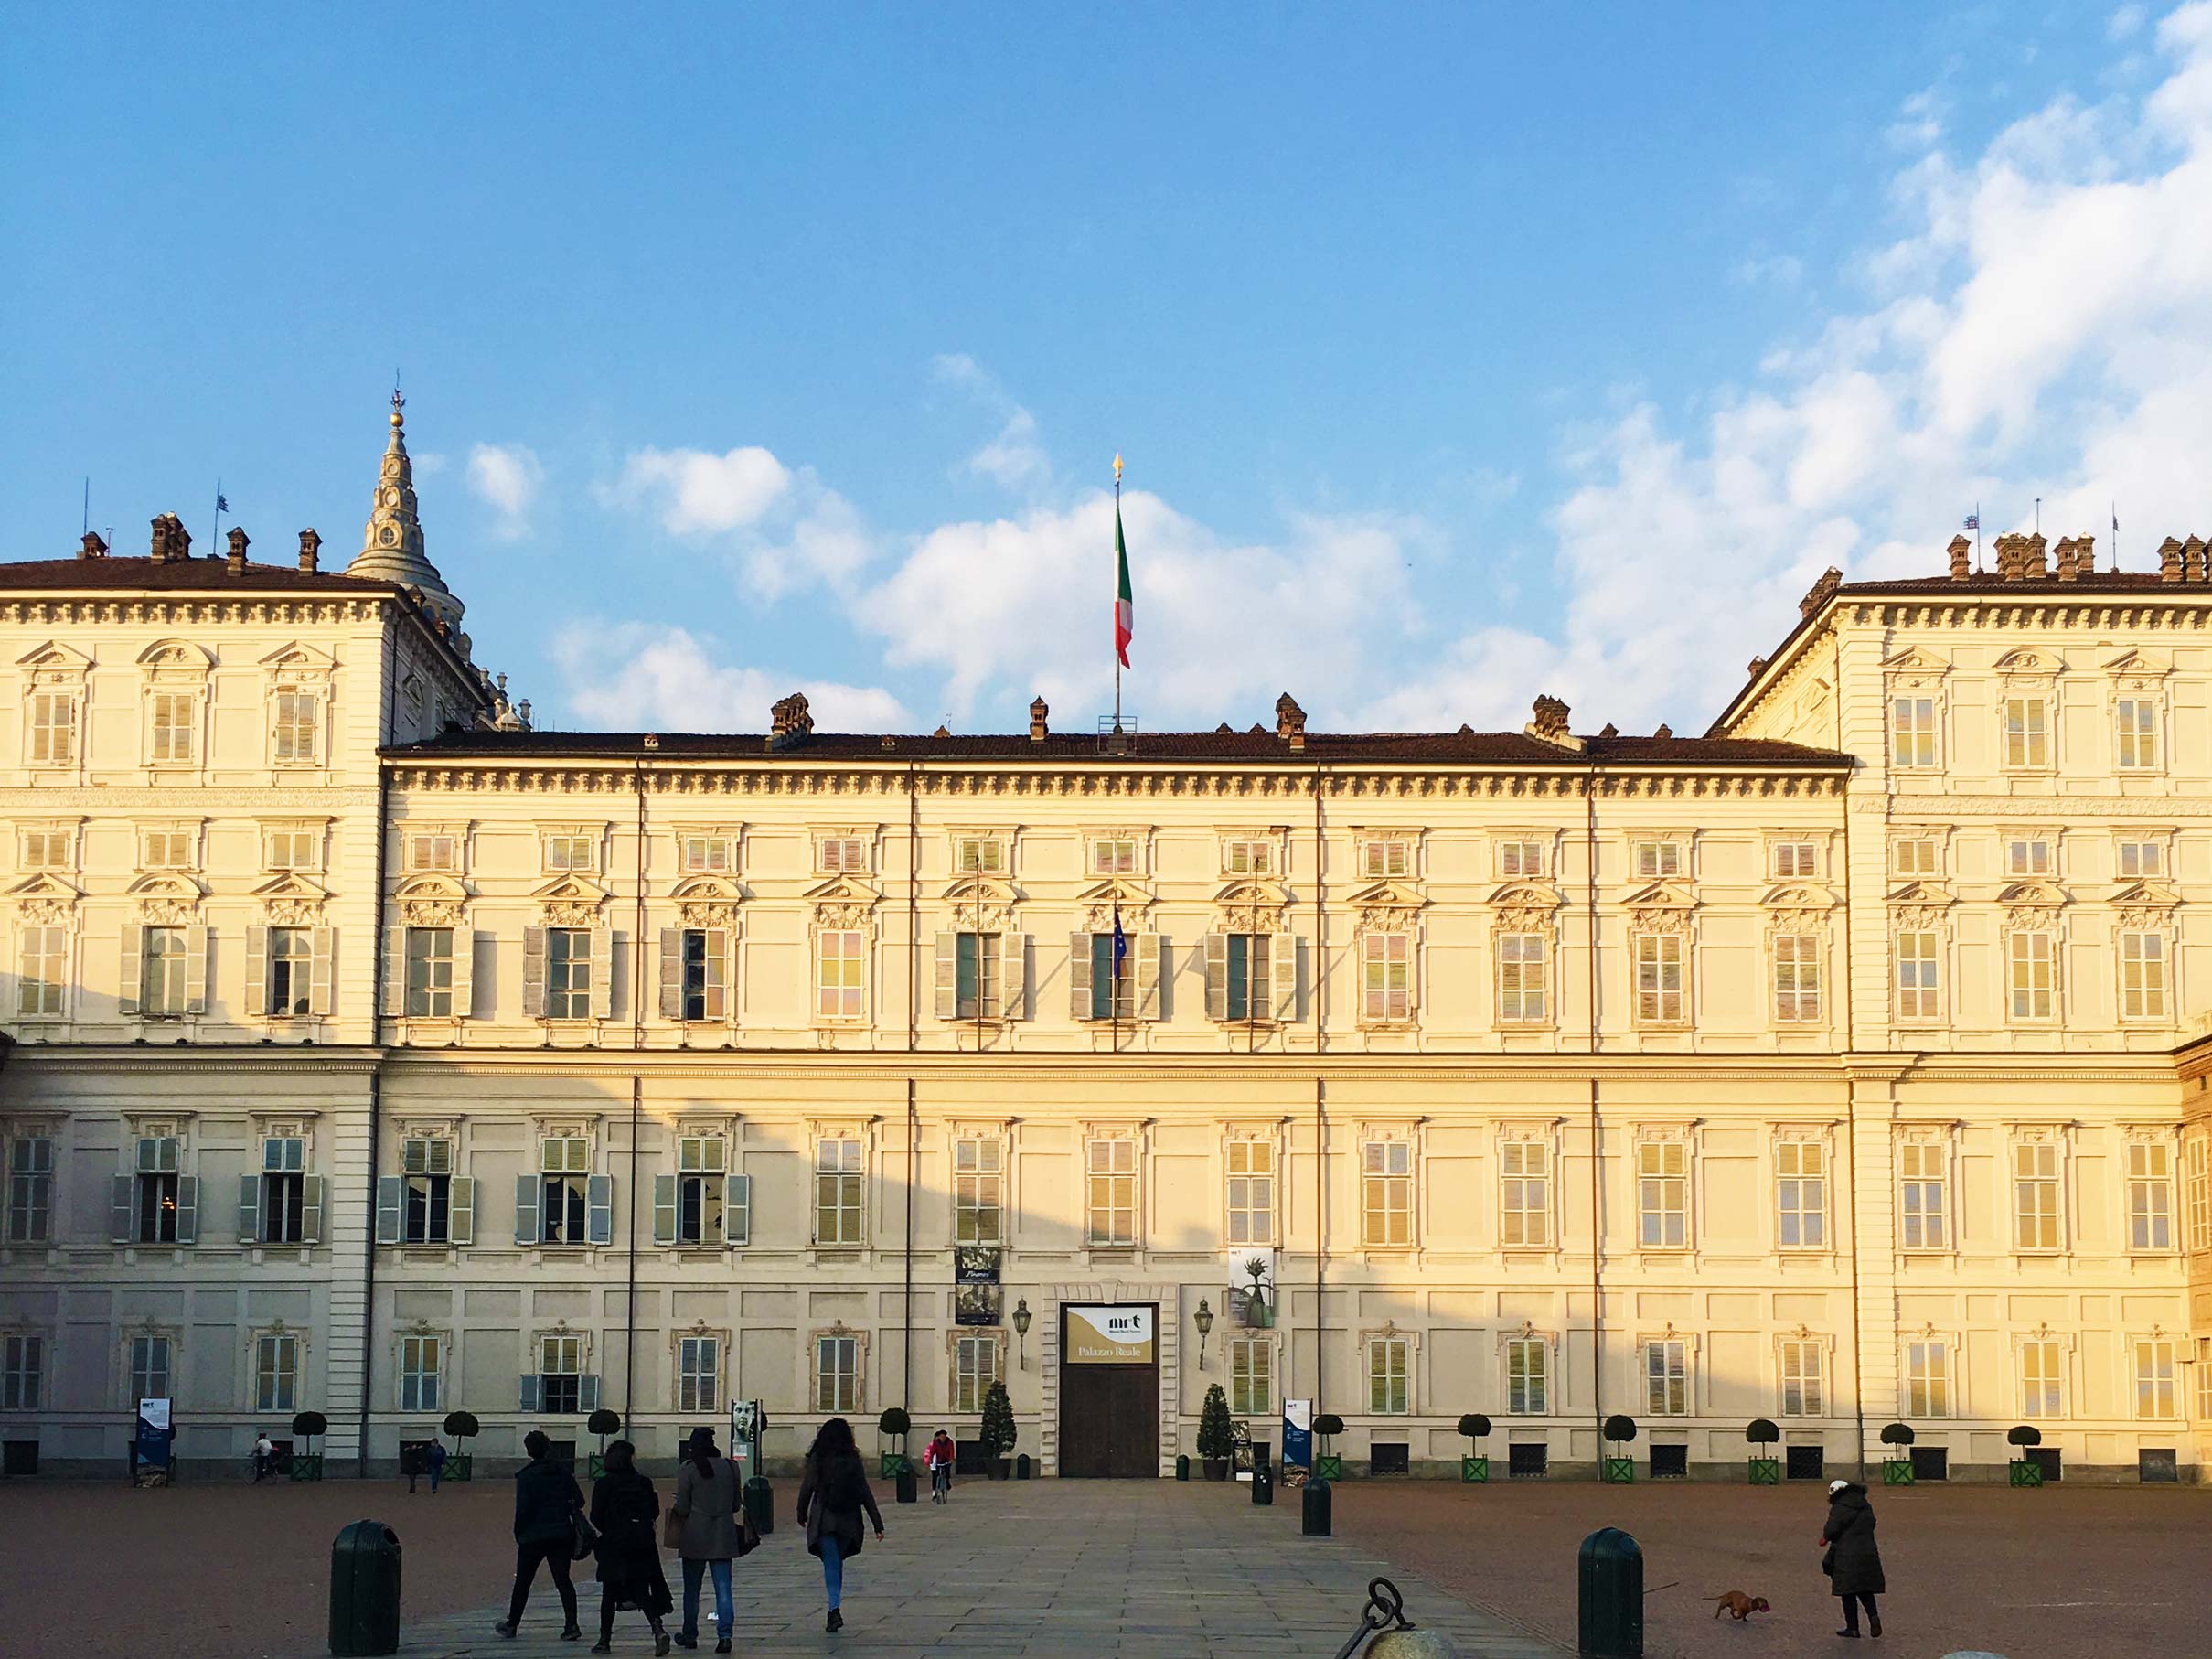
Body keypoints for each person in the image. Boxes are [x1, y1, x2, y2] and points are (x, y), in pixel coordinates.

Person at [796, 1417, 884, 1633]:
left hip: (825, 1519)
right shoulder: (853, 1461)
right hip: (848, 1520)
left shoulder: (818, 1459)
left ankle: (834, 1608)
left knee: (831, 1564)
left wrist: (801, 1513)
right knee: (837, 1563)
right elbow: (865, 1492)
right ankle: (834, 1607)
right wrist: (877, 1524)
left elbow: (807, 1488)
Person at [497, 1429, 584, 1641]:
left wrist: (519, 1532)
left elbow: (523, 1509)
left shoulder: (526, 1476)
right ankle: (571, 1624)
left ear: (529, 1451)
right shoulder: (562, 1472)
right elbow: (579, 1500)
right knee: (563, 1581)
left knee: (523, 1582)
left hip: (533, 1536)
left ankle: (512, 1624)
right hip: (560, 1533)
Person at [588, 1440, 673, 1654]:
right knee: (641, 1589)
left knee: (609, 1592)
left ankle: (604, 1639)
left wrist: (610, 1528)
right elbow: (653, 1511)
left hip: (614, 1542)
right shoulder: (643, 1482)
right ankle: (658, 1628)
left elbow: (595, 1516)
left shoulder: (604, 1484)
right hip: (640, 1542)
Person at [670, 1427, 741, 1654]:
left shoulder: (687, 1469)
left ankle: (690, 1634)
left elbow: (682, 1507)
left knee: (692, 1590)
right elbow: (735, 1505)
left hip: (694, 1536)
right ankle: (725, 1635)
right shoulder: (730, 1467)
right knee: (724, 1588)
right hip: (723, 1535)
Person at [1820, 1477, 1886, 1639]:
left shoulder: (1839, 1507)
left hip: (1846, 1552)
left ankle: (1853, 1627)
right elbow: (1872, 1523)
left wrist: (1826, 1537)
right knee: (1865, 1589)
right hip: (1868, 1550)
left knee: (1847, 1591)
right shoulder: (1865, 1504)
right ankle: (1873, 1617)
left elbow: (1832, 1528)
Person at [923, 1430, 956, 1504]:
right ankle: (937, 1488)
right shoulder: (936, 1442)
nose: (942, 1438)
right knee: (936, 1475)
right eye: (941, 1437)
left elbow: (951, 1450)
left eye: (944, 1436)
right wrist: (930, 1459)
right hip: (939, 1459)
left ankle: (947, 1482)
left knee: (947, 1471)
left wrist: (951, 1459)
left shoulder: (949, 1442)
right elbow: (933, 1451)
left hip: (947, 1459)